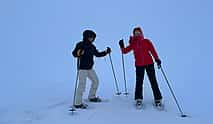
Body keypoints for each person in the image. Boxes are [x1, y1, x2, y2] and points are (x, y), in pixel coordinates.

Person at [119, 27, 163, 107]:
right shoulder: (133, 44)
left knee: (153, 81)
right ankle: (138, 99)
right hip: (139, 65)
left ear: (141, 33)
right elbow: (124, 51)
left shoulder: (146, 41)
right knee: (139, 82)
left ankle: (158, 99)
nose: (137, 34)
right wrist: (122, 46)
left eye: (138, 33)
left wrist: (157, 59)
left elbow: (153, 51)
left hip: (149, 63)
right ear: (134, 34)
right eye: (135, 33)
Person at [72, 30, 111, 109]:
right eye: (91, 37)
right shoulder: (80, 44)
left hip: (90, 68)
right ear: (86, 37)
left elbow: (97, 54)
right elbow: (74, 53)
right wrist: (78, 53)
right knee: (82, 85)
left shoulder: (92, 46)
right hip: (82, 69)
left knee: (96, 81)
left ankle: (91, 97)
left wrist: (106, 52)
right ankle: (77, 103)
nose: (92, 39)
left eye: (93, 38)